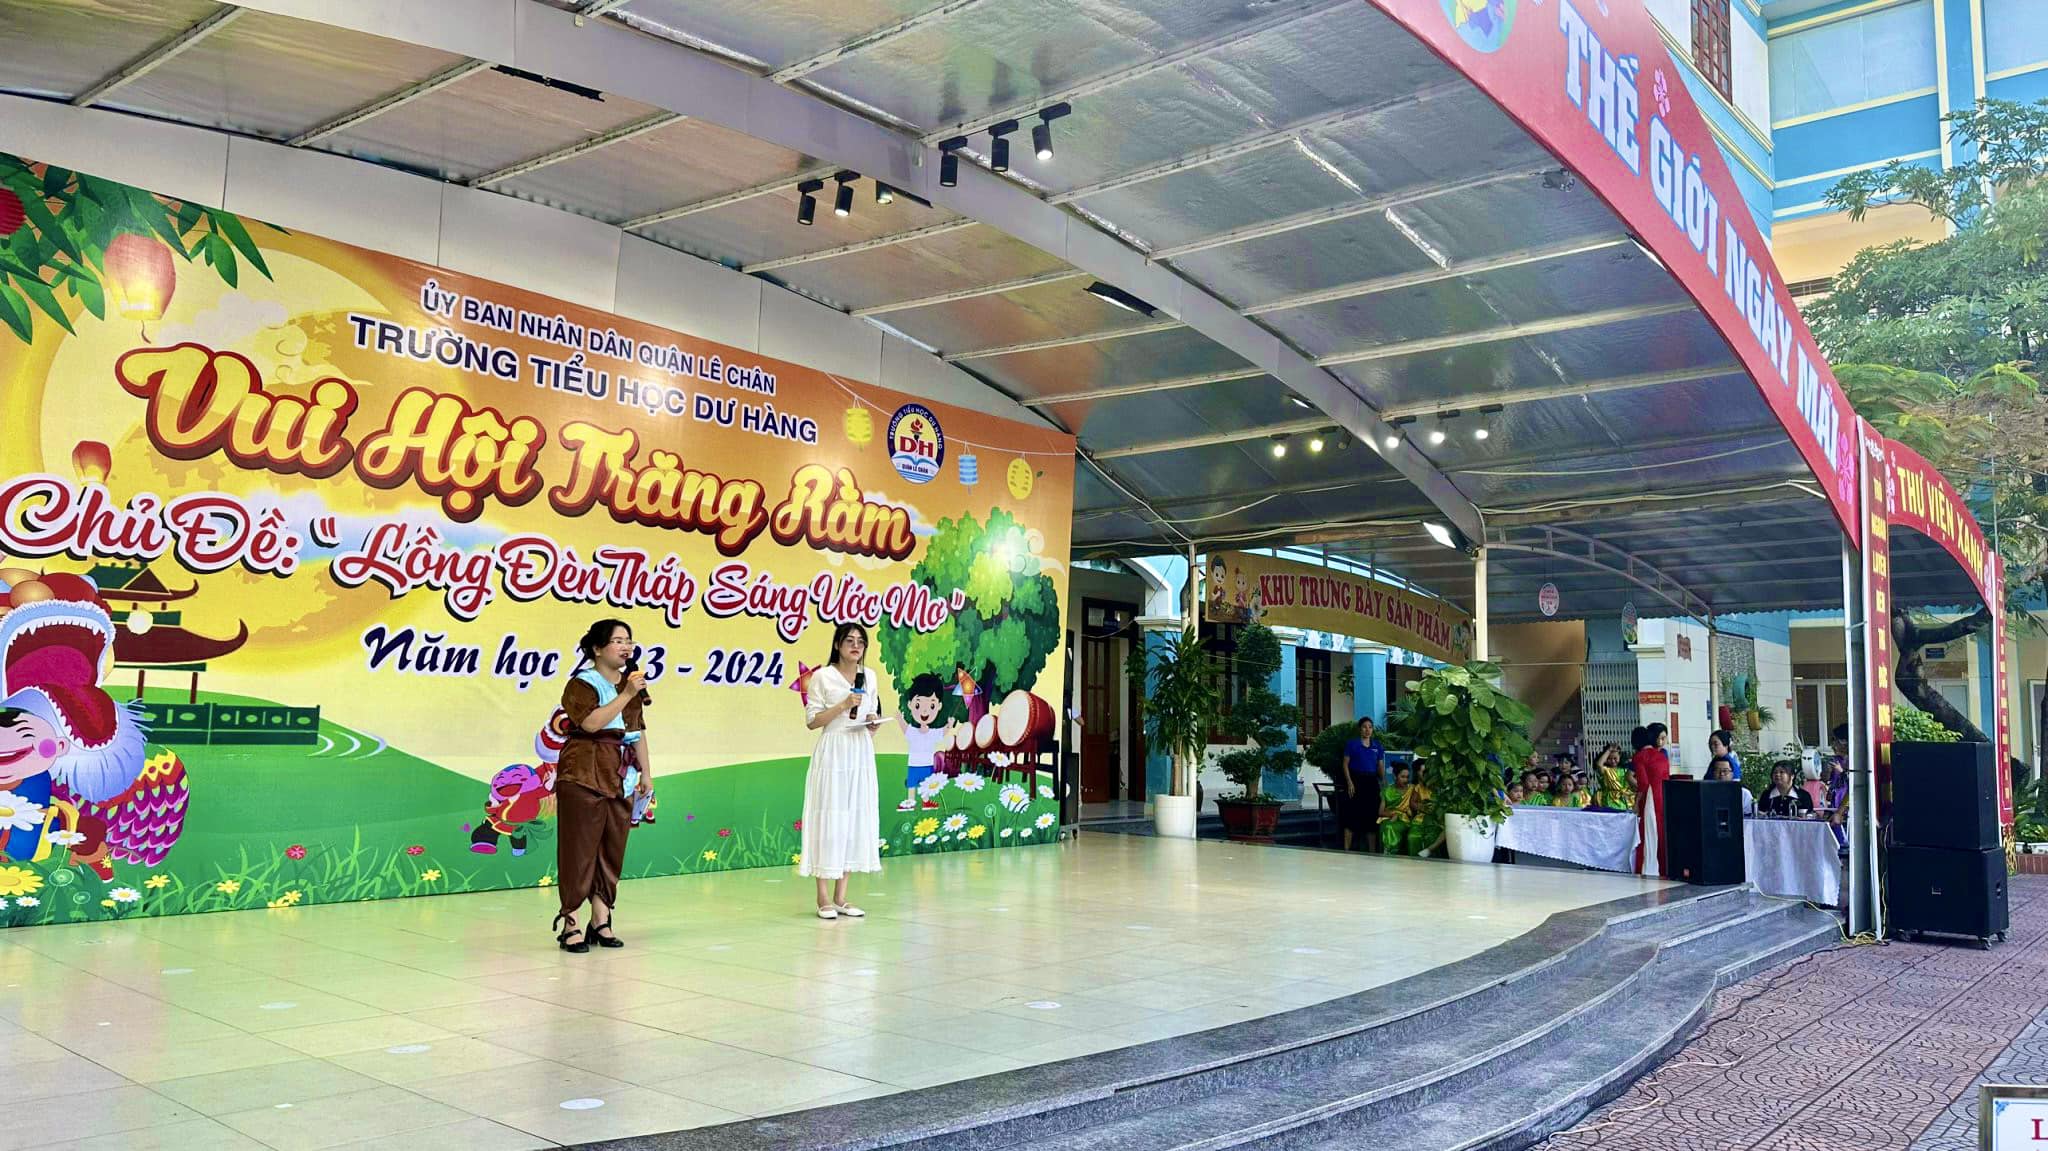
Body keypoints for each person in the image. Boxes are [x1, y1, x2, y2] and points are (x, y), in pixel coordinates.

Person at [553, 619, 652, 953]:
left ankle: (601, 918)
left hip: (621, 775)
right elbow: (591, 723)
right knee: (579, 850)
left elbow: (637, 732)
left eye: (629, 641)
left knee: (612, 848)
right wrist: (626, 694)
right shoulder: (582, 684)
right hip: (584, 773)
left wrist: (646, 775)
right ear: (597, 648)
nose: (626, 647)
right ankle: (570, 922)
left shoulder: (630, 685)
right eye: (618, 641)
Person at [803, 623, 886, 920]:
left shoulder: (869, 676)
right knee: (830, 816)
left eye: (860, 642)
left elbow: (869, 713)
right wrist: (843, 704)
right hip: (834, 750)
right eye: (849, 640)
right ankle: (823, 897)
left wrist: (873, 722)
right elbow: (812, 721)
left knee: (853, 817)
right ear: (838, 644)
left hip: (860, 749)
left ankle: (841, 897)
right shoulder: (822, 677)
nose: (855, 646)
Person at [898, 673, 948, 812]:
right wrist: (899, 718)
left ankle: (926, 802)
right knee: (912, 783)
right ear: (910, 705)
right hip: (914, 764)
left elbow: (942, 732)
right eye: (918, 705)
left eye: (931, 705)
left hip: (927, 764)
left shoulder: (932, 733)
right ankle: (911, 801)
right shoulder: (913, 731)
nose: (925, 711)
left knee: (926, 784)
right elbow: (904, 728)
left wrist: (949, 725)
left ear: (939, 706)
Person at [1631, 724, 1672, 877]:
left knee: (1647, 834)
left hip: (1650, 799)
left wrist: (1636, 803)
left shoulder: (1640, 757)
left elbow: (1643, 784)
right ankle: (1664, 869)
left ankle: (1646, 869)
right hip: (1664, 796)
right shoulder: (1662, 756)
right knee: (1661, 833)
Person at [1342, 717, 1386, 851]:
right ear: (1360, 729)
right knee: (1351, 816)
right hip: (1356, 780)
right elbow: (1345, 764)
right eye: (1364, 727)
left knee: (1371, 816)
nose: (1367, 730)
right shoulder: (1352, 744)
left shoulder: (1377, 745)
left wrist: (1384, 782)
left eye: (1370, 727)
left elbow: (1380, 766)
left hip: (1371, 782)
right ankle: (1346, 850)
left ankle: (1372, 851)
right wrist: (1349, 782)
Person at [1379, 764, 1421, 855]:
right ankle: (1388, 854)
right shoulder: (1387, 790)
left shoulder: (1412, 789)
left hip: (1405, 820)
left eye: (1407, 777)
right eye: (1402, 777)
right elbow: (1381, 812)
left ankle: (1390, 855)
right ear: (1395, 776)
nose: (1406, 780)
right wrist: (1393, 814)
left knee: (1391, 827)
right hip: (1389, 818)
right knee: (1388, 826)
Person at [1591, 743, 1633, 810]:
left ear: (1620, 756)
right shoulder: (1605, 771)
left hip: (1626, 800)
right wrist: (1608, 750)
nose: (1613, 761)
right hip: (1610, 801)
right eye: (1609, 758)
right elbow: (1599, 765)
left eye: (1615, 758)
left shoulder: (1625, 770)